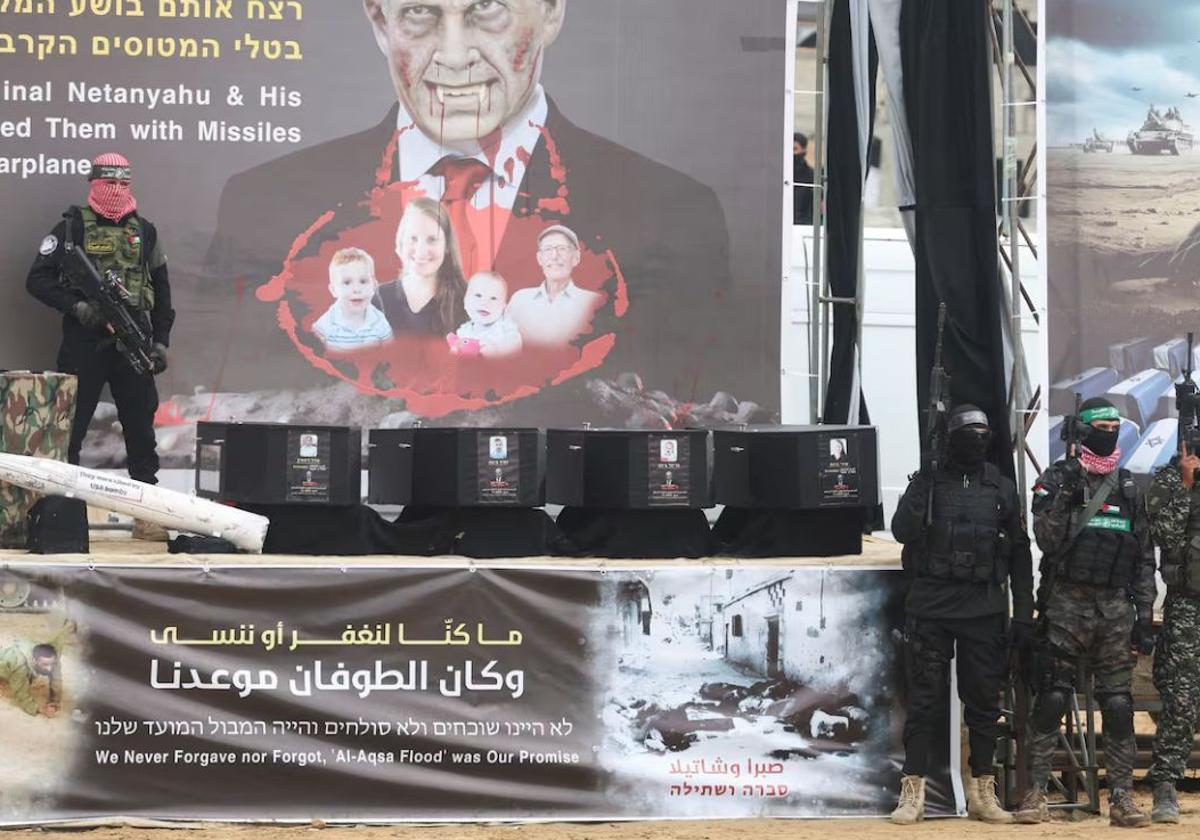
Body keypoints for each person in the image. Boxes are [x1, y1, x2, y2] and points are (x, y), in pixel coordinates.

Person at [206, 0, 735, 411]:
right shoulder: (261, 206)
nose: (455, 56)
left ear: (551, 10)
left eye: (487, 8)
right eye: (419, 12)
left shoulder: (675, 215)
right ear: (378, 19)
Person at [888, 405, 1032, 825]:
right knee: (924, 700)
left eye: (985, 432)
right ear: (949, 438)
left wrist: (1023, 613)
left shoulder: (1001, 488)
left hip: (983, 608)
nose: (979, 437)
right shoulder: (928, 482)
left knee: (984, 703)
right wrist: (923, 481)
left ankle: (982, 792)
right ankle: (912, 789)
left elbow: (1020, 554)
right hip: (931, 606)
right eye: (970, 432)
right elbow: (902, 531)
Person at [1016, 397, 1156, 829]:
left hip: (1115, 610)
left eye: (1116, 424)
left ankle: (1121, 798)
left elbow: (1144, 558)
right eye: (1102, 424)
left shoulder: (1129, 488)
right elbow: (1048, 540)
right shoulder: (1057, 479)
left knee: (1117, 705)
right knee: (1052, 697)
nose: (1110, 429)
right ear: (1083, 430)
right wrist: (1068, 493)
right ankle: (1035, 794)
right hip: (1066, 605)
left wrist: (1145, 614)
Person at [26, 153, 174, 541]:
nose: (116, 191)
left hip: (133, 338)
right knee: (69, 431)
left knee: (141, 428)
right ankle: (65, 516)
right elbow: (38, 280)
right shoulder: (70, 229)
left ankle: (149, 514)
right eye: (109, 183)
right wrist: (78, 308)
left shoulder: (146, 232)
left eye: (123, 183)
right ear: (93, 183)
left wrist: (160, 343)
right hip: (84, 342)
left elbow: (162, 295)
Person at [1143, 439, 1200, 824]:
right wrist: (1185, 484)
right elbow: (1164, 534)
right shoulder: (1170, 478)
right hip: (1188, 605)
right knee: (1181, 700)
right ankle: (1165, 784)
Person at [507, 225, 604, 349]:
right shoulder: (519, 300)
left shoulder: (594, 303)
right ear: (540, 258)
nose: (554, 256)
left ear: (576, 258)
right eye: (547, 249)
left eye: (562, 249)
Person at [384, 198, 468, 337]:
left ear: (447, 245)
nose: (421, 250)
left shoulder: (471, 301)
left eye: (432, 240)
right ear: (401, 241)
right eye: (413, 238)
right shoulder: (374, 298)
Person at [312, 247, 393, 351]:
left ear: (374, 286)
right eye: (347, 282)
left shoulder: (380, 322)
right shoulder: (324, 327)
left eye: (363, 281)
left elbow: (390, 354)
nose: (357, 289)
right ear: (333, 290)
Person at [448, 272, 522, 358]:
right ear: (465, 302)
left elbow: (515, 348)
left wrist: (496, 352)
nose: (485, 303)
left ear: (504, 307)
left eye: (493, 298)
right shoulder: (464, 332)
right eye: (478, 295)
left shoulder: (506, 330)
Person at [0, 640, 61, 718]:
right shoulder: (20, 666)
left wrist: (54, 700)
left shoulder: (38, 651)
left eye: (51, 664)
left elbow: (56, 678)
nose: (49, 669)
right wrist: (41, 709)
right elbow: (22, 695)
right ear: (34, 660)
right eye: (45, 665)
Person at [793, 132, 814, 225]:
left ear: (804, 151)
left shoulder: (811, 176)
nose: (791, 153)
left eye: (795, 149)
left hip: (802, 227)